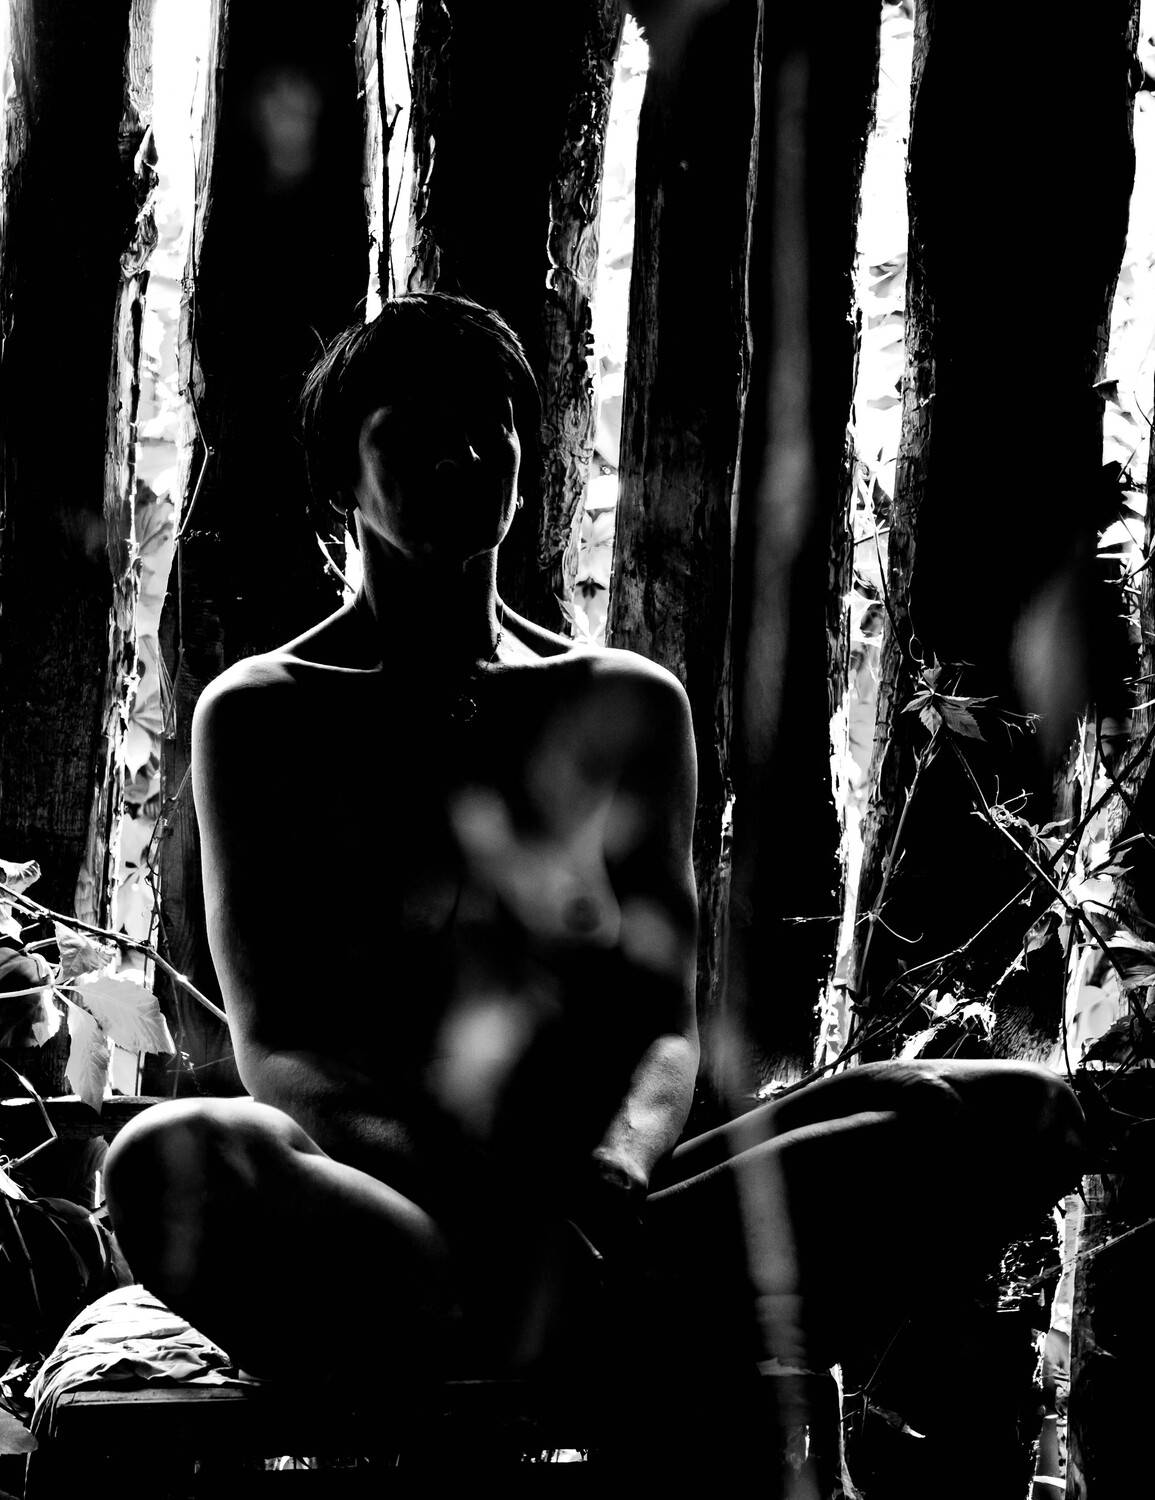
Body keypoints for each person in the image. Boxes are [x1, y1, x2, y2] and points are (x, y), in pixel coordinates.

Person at [104, 293, 1086, 1407]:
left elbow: (663, 1028)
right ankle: (617, 1316)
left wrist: (614, 1168)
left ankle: (553, 1312)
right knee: (163, 1160)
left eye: (489, 424)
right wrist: (486, 1202)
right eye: (415, 432)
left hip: (613, 1205)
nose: (464, 454)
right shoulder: (263, 714)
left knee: (1014, 1112)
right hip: (399, 1208)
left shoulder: (626, 702)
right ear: (340, 476)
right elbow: (283, 1047)